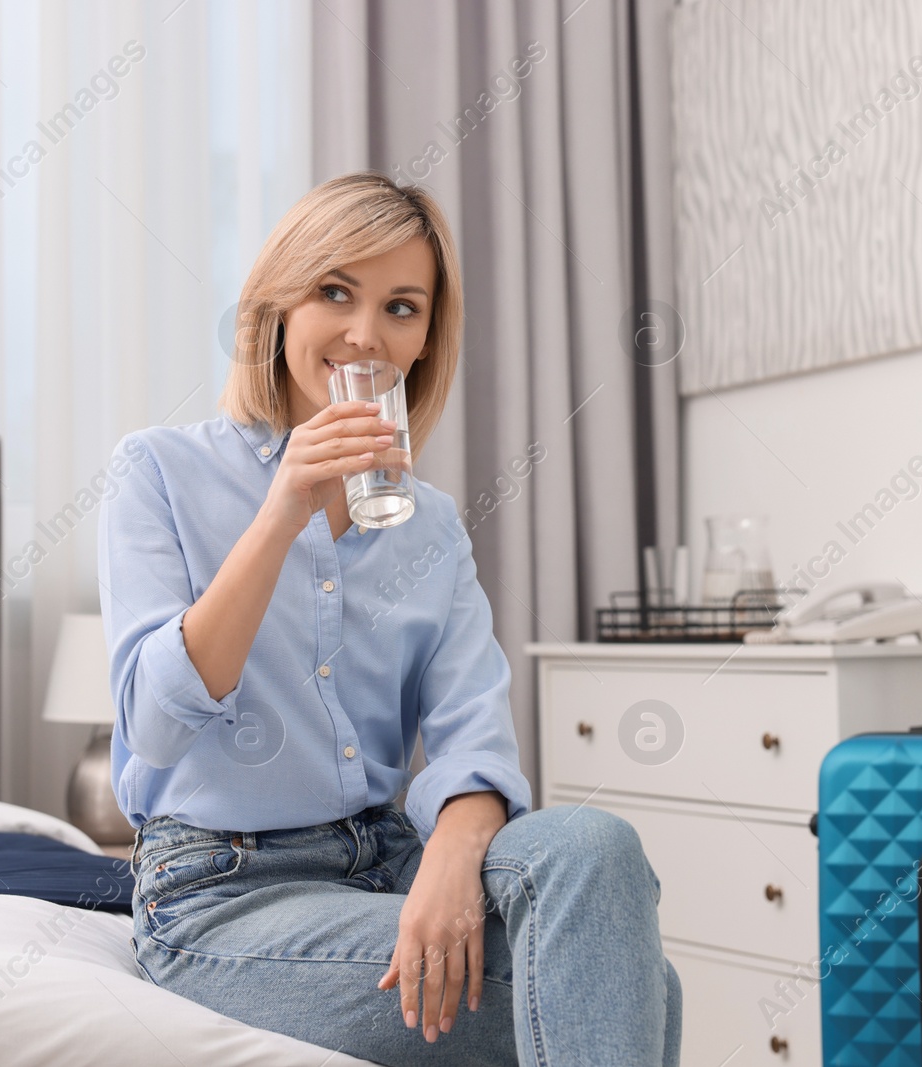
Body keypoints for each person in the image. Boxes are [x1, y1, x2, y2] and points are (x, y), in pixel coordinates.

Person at [97, 171, 681, 1067]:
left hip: (391, 853)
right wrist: (283, 505)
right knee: (623, 986)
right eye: (336, 292)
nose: (365, 333)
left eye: (401, 307)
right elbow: (154, 725)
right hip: (223, 888)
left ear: (422, 341)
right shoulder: (158, 474)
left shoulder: (433, 525)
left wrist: (454, 852)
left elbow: (472, 736)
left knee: (594, 846)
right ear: (277, 305)